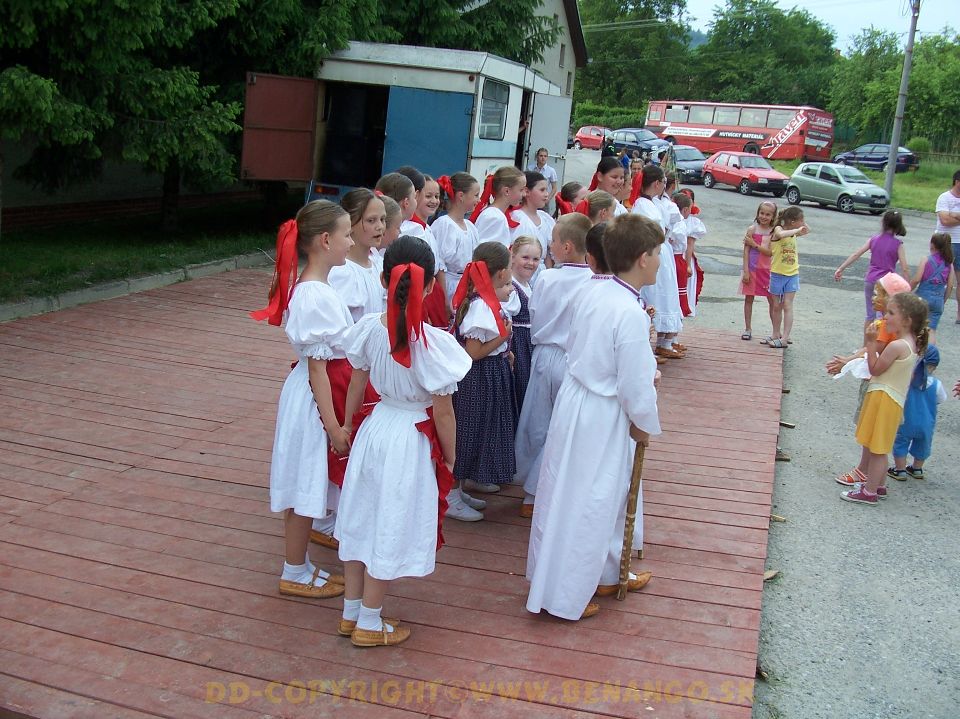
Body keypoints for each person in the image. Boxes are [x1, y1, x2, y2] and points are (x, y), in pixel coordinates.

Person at [335, 235, 471, 647]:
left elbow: (356, 384)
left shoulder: (369, 330)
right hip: (408, 439)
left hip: (375, 430)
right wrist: (450, 458)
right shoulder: (432, 345)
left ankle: (352, 612)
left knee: (363, 516)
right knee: (387, 522)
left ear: (383, 279)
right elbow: (443, 412)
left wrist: (347, 427)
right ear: (429, 286)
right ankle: (370, 622)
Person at [525, 213, 662, 621]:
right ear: (642, 258)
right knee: (590, 500)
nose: (660, 261)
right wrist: (643, 421)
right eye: (657, 253)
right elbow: (634, 381)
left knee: (578, 493)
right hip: (602, 412)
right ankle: (566, 591)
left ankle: (600, 573)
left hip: (578, 401)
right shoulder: (629, 312)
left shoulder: (596, 292)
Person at [249, 200, 354, 600]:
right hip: (315, 400)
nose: (351, 242)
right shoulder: (314, 296)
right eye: (347, 235)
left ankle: (301, 565)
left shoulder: (319, 289)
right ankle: (293, 570)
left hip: (318, 394)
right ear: (326, 240)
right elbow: (317, 369)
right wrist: (333, 426)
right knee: (304, 480)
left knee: (311, 479)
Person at [515, 214, 594, 517]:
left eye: (554, 241)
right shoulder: (593, 282)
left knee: (537, 423)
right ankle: (542, 491)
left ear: (567, 247)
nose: (550, 246)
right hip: (571, 358)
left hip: (544, 354)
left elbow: (535, 312)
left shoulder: (547, 278)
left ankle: (532, 490)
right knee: (560, 427)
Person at [839, 292, 927, 505]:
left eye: (891, 313)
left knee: (877, 449)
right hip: (891, 399)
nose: (885, 317)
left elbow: (875, 369)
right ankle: (879, 485)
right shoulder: (910, 344)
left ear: (907, 320)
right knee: (880, 445)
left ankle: (869, 492)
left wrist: (870, 343)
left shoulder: (897, 346)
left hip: (883, 398)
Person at [450, 242, 516, 516]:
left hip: (489, 374)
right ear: (500, 273)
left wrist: (504, 351)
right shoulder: (481, 307)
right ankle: (451, 495)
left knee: (479, 431)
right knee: (467, 433)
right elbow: (473, 352)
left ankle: (464, 485)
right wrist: (502, 338)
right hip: (477, 378)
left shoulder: (486, 302)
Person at [632, 165, 684, 360]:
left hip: (661, 250)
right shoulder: (643, 205)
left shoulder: (653, 202)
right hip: (651, 250)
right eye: (663, 182)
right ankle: (648, 343)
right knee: (654, 294)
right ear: (656, 183)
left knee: (664, 293)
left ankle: (664, 341)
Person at [834, 210, 910, 330]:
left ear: (883, 222)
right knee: (883, 314)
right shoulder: (898, 244)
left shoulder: (874, 239)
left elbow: (856, 254)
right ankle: (880, 339)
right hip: (886, 283)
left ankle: (867, 340)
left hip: (870, 279)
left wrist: (841, 268)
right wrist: (907, 287)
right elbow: (904, 268)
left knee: (870, 314)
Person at [395, 167, 448, 327]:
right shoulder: (409, 229)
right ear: (415, 196)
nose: (434, 201)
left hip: (432, 290)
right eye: (428, 196)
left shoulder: (427, 228)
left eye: (437, 196)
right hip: (420, 290)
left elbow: (438, 266)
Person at [886, 345, 946, 482]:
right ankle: (917, 468)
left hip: (906, 421)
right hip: (927, 424)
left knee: (900, 443)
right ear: (934, 367)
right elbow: (941, 399)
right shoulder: (936, 384)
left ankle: (900, 470)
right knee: (923, 445)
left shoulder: (908, 381)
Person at [329, 188, 387, 322]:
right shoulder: (341, 272)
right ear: (350, 223)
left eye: (383, 219)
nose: (380, 226)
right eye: (371, 220)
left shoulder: (380, 264)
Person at [433, 172, 481, 308]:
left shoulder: (470, 226)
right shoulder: (444, 224)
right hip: (449, 287)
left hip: (466, 285)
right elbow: (440, 264)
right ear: (461, 196)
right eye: (476, 195)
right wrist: (444, 300)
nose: (478, 200)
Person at [766, 207, 809, 349]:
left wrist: (800, 225)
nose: (803, 223)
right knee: (776, 306)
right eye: (801, 220)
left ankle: (784, 338)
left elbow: (807, 230)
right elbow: (780, 233)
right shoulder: (779, 229)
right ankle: (775, 333)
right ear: (792, 222)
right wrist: (796, 229)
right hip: (777, 274)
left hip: (792, 274)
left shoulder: (794, 233)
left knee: (788, 305)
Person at [509, 236, 542, 414]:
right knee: (519, 391)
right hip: (517, 347)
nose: (531, 263)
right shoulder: (511, 288)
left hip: (527, 347)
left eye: (535, 259)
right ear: (513, 256)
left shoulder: (527, 285)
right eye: (525, 257)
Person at [738, 201, 777, 341]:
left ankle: (776, 331)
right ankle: (748, 328)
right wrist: (746, 270)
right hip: (752, 269)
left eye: (768, 214)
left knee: (772, 301)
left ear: (773, 216)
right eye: (762, 213)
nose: (764, 217)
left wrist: (754, 244)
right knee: (749, 299)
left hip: (768, 270)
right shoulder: (752, 229)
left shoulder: (774, 231)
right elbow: (746, 251)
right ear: (758, 213)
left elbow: (770, 252)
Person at [910, 233, 955, 345]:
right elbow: (950, 286)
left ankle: (915, 350)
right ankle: (930, 352)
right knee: (932, 330)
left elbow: (917, 279)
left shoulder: (926, 260)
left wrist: (907, 289)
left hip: (922, 297)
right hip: (938, 299)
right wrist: (943, 300)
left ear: (932, 245)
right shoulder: (949, 264)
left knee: (916, 328)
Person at [512, 170, 556, 282]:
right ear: (527, 191)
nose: (546, 194)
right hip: (522, 274)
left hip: (541, 274)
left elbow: (548, 254)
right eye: (542, 190)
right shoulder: (517, 218)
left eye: (547, 190)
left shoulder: (545, 218)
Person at [471, 166, 526, 247]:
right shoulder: (495, 217)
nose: (524, 194)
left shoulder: (495, 214)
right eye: (521, 190)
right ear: (506, 191)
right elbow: (486, 251)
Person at [934, 169, 960, 322]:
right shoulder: (944, 197)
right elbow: (945, 221)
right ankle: (935, 308)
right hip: (945, 242)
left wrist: (955, 215)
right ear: (957, 182)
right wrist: (953, 217)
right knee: (938, 277)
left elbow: (950, 218)